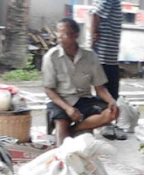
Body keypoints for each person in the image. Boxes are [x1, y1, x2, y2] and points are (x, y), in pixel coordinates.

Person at [42, 18, 119, 147]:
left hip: (84, 99)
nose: (60, 37)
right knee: (62, 122)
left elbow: (99, 87)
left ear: (76, 35)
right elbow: (49, 89)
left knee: (112, 113)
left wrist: (112, 101)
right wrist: (68, 109)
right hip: (61, 100)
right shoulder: (51, 57)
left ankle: (74, 130)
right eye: (58, 33)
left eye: (64, 33)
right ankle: (62, 156)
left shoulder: (90, 56)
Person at [90, 0, 126, 141]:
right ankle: (105, 123)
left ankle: (109, 122)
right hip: (104, 55)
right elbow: (95, 15)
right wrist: (93, 37)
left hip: (110, 55)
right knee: (106, 91)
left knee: (112, 91)